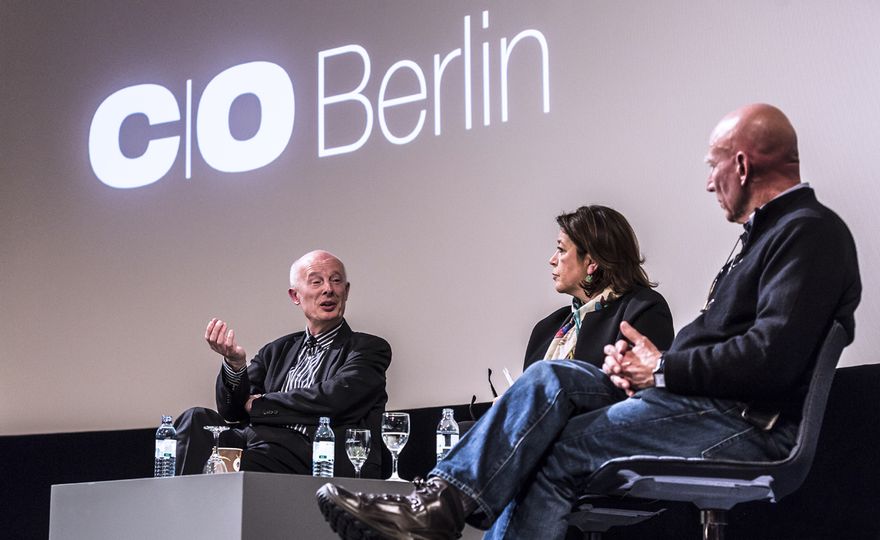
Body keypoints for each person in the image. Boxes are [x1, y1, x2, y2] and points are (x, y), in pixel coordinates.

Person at [315, 104, 861, 539]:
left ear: (741, 165)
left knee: (554, 450)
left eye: (712, 166)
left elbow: (771, 359)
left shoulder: (808, 232)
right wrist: (643, 371)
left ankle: (439, 508)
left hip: (748, 427)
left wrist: (663, 369)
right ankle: (439, 502)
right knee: (549, 379)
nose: (708, 182)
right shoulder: (769, 236)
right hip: (702, 406)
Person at [174, 250, 392, 478]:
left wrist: (261, 404)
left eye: (336, 281)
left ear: (345, 291)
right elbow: (232, 410)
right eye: (316, 282)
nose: (328, 289)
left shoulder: (369, 348)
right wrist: (235, 364)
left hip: (312, 451)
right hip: (254, 442)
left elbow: (335, 399)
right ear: (295, 296)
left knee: (235, 464)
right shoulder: (277, 350)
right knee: (196, 419)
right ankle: (178, 508)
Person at [523, 205, 673, 372]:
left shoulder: (644, 310)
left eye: (561, 250)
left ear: (592, 262)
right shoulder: (545, 329)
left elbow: (642, 389)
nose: (552, 260)